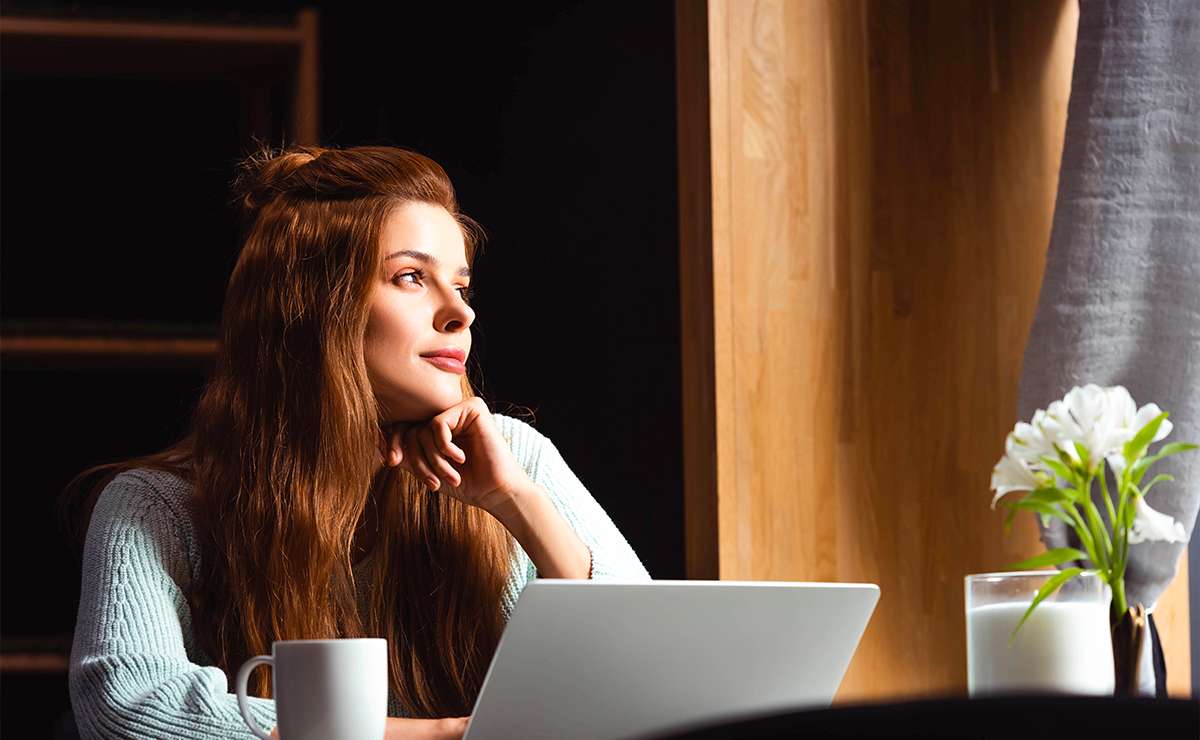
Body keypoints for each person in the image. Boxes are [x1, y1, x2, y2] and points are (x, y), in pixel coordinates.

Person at [59, 144, 653, 740]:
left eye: (463, 286)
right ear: (313, 307)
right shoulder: (158, 505)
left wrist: (516, 503)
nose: (459, 313)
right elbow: (127, 705)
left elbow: (652, 676)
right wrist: (438, 737)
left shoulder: (513, 458)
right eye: (412, 278)